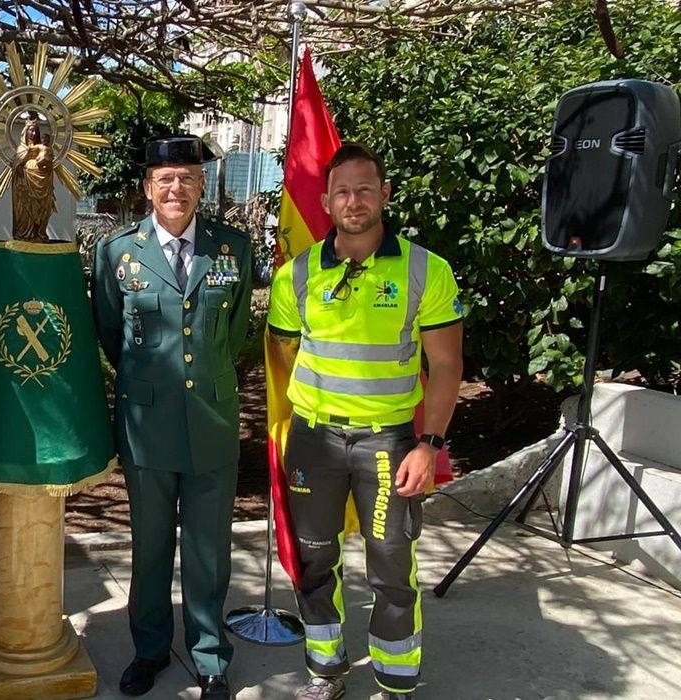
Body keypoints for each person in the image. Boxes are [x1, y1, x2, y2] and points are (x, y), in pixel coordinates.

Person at [268, 143, 464, 700]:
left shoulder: (426, 269)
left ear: (385, 194)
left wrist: (429, 444)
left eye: (365, 188)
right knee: (313, 561)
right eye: (342, 191)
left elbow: (447, 365)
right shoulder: (295, 275)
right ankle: (325, 673)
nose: (354, 201)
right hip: (314, 440)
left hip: (390, 443)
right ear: (326, 201)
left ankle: (395, 682)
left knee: (390, 568)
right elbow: (282, 355)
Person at [92, 134, 253, 700]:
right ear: (147, 188)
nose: (176, 188)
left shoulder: (232, 247)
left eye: (187, 177)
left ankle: (210, 656)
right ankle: (150, 650)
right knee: (151, 547)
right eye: (165, 179)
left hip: (211, 420)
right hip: (147, 426)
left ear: (201, 184)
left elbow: (234, 333)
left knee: (209, 551)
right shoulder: (116, 251)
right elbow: (111, 333)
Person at [11, 115, 56, 241]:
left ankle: (39, 233)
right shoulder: (21, 148)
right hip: (25, 186)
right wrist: (22, 171)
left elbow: (49, 165)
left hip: (42, 185)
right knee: (25, 214)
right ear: (25, 132)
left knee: (42, 211)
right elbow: (16, 166)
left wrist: (47, 164)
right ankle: (25, 234)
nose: (34, 133)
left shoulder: (44, 148)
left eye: (36, 130)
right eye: (31, 130)